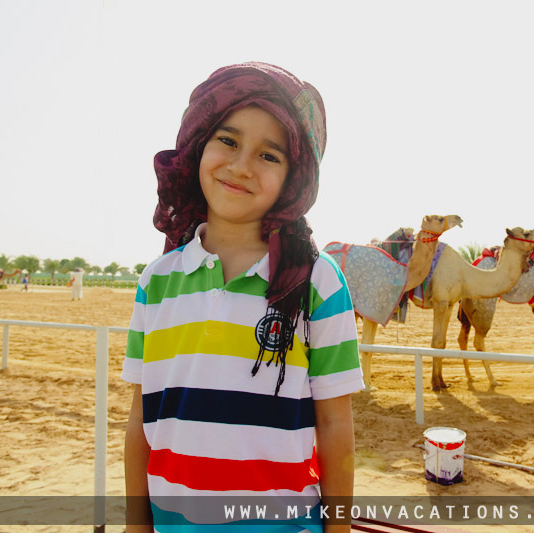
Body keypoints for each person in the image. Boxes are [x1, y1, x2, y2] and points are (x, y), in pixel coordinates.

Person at [122, 62, 364, 533]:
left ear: (294, 178)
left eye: (269, 155)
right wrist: (136, 526)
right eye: (228, 141)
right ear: (198, 145)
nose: (241, 166)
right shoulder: (156, 282)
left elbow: (336, 426)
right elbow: (140, 418)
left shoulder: (317, 282)